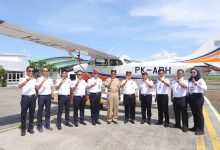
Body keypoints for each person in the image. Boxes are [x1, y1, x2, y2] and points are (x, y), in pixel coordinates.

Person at [188, 68, 207, 135]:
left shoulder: (200, 79)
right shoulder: (189, 80)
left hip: (198, 97)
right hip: (191, 97)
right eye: (191, 72)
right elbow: (189, 89)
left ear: (197, 72)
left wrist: (196, 84)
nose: (192, 73)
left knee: (199, 113)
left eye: (194, 72)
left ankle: (201, 129)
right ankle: (195, 127)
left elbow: (205, 88)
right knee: (194, 113)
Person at [18, 66, 37, 136]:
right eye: (29, 71)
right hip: (25, 98)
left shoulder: (35, 79)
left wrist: (36, 96)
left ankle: (30, 128)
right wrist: (28, 79)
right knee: (23, 114)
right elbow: (19, 86)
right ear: (27, 71)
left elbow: (36, 88)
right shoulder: (22, 78)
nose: (31, 72)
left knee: (32, 114)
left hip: (32, 98)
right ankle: (23, 129)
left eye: (32, 71)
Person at [36, 67, 54, 132]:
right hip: (41, 97)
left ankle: (47, 124)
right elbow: (37, 88)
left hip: (48, 96)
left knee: (48, 111)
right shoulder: (38, 79)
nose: (45, 72)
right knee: (40, 111)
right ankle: (39, 126)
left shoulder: (50, 79)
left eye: (46, 71)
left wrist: (52, 95)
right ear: (42, 72)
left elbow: (52, 87)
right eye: (44, 71)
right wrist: (43, 80)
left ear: (48, 72)